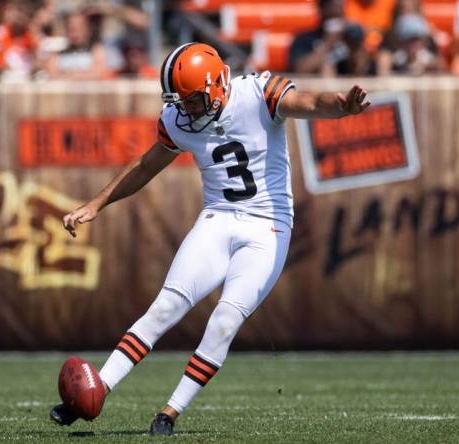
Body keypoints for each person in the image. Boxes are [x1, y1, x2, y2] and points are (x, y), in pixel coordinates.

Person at [51, 42, 370, 436]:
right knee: (165, 307)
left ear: (218, 82)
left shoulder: (258, 93)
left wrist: (341, 105)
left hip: (267, 226)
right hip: (217, 219)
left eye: (194, 100)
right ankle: (97, 389)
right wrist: (97, 204)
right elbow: (147, 164)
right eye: (180, 102)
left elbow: (308, 102)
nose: (188, 110)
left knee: (225, 319)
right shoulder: (179, 116)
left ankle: (169, 412)